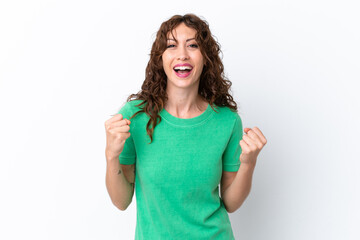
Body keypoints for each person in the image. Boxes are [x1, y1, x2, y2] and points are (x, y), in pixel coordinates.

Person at [104, 13, 267, 240]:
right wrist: (111, 155)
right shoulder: (135, 117)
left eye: (193, 45)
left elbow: (231, 202)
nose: (182, 54)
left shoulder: (227, 120)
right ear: (160, 58)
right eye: (172, 46)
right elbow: (121, 201)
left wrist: (249, 162)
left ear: (206, 57)